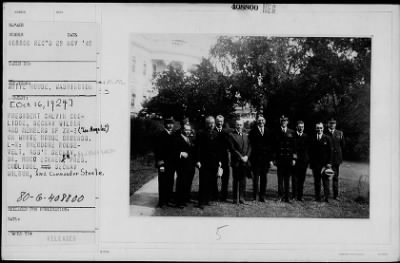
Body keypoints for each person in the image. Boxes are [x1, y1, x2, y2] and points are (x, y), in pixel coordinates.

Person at [195, 116, 221, 209]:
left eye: (213, 123)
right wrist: (197, 160)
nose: (211, 125)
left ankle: (208, 199)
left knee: (211, 181)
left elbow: (218, 149)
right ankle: (201, 201)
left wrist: (219, 162)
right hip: (203, 161)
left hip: (214, 161)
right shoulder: (200, 133)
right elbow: (198, 148)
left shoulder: (216, 133)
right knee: (203, 181)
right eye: (209, 123)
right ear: (206, 124)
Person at [154, 117, 178, 208]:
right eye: (168, 123)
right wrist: (160, 163)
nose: (170, 125)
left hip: (171, 163)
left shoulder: (174, 135)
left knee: (170, 181)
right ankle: (162, 202)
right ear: (165, 124)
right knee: (163, 182)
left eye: (172, 123)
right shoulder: (160, 135)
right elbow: (157, 150)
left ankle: (168, 199)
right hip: (163, 163)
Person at [272, 115, 297, 202]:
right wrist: (274, 159)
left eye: (285, 121)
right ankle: (280, 196)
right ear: (281, 122)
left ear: (287, 122)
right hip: (280, 158)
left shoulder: (292, 132)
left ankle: (287, 197)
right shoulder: (276, 132)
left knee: (287, 178)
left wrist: (294, 159)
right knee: (280, 179)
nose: (284, 122)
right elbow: (274, 146)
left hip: (288, 158)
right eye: (282, 121)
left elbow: (294, 147)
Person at [248, 115, 273, 202]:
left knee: (264, 179)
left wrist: (270, 160)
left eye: (262, 120)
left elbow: (271, 146)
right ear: (257, 122)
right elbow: (250, 145)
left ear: (264, 121)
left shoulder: (268, 131)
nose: (261, 122)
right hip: (255, 159)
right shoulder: (252, 132)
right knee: (255, 179)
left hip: (265, 160)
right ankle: (255, 196)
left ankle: (262, 196)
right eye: (259, 120)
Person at [228, 119, 252, 204]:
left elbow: (249, 147)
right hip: (237, 161)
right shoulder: (231, 135)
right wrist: (241, 157)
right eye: (238, 125)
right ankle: (235, 198)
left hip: (245, 161)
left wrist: (247, 156)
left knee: (243, 180)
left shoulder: (246, 135)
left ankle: (242, 198)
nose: (239, 126)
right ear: (235, 125)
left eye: (241, 125)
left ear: (243, 126)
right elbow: (232, 149)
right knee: (236, 180)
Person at [309, 122, 333, 202]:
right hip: (315, 164)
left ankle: (326, 198)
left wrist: (329, 163)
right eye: (318, 128)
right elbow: (310, 152)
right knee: (317, 181)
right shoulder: (312, 138)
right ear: (316, 129)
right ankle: (317, 197)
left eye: (321, 128)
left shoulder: (327, 138)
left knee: (326, 182)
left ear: (323, 128)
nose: (319, 129)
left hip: (325, 165)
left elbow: (330, 152)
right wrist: (311, 163)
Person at [175, 123, 196, 208]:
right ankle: (179, 201)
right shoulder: (177, 138)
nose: (187, 131)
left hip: (190, 165)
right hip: (181, 165)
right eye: (186, 130)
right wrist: (180, 153)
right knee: (181, 183)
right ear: (182, 130)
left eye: (189, 130)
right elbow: (172, 150)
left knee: (188, 182)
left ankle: (186, 198)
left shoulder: (190, 139)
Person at [324, 117, 345, 200]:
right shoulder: (325, 133)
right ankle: (326, 195)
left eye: (333, 123)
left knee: (335, 178)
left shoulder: (340, 133)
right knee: (326, 177)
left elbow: (343, 145)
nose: (332, 125)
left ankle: (335, 196)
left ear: (335, 124)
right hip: (327, 159)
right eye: (330, 123)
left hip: (336, 159)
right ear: (328, 124)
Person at [214, 115, 231, 201]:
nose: (219, 123)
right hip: (214, 158)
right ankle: (215, 195)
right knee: (214, 177)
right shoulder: (212, 131)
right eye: (218, 121)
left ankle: (224, 196)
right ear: (215, 122)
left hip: (224, 158)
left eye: (221, 121)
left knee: (225, 178)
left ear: (223, 122)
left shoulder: (226, 132)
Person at [293, 120, 310, 201]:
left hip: (303, 160)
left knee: (302, 179)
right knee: (294, 178)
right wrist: (293, 155)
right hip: (295, 160)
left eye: (302, 127)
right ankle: (294, 195)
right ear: (296, 127)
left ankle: (300, 196)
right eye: (299, 126)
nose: (301, 128)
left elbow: (308, 149)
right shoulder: (293, 135)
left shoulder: (306, 136)